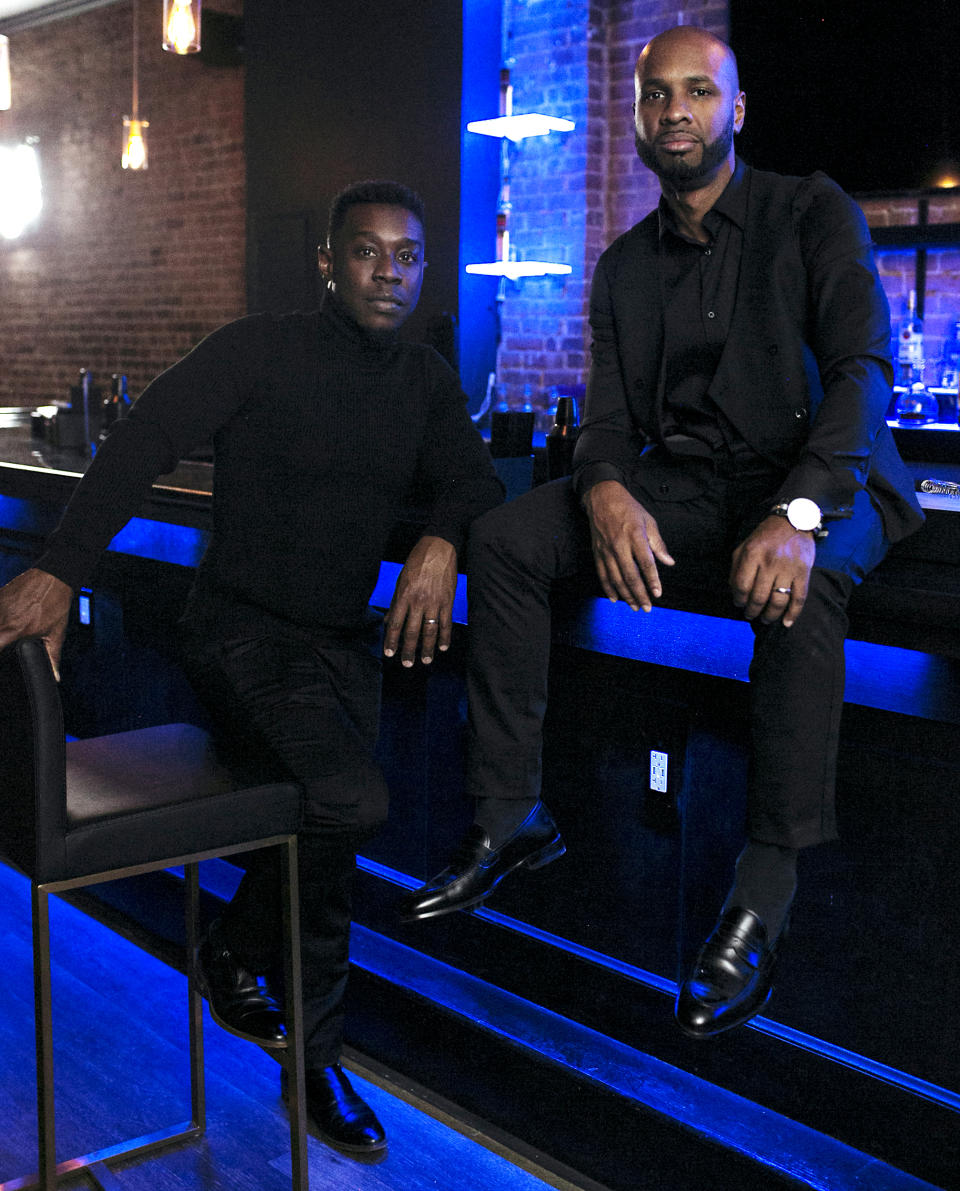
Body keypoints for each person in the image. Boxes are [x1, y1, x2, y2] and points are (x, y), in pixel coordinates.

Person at [399, 26, 923, 1039]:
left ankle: (763, 894)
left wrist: (799, 513)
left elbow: (863, 374)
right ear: (637, 116)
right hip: (686, 485)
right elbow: (604, 422)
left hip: (831, 477)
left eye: (697, 93)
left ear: (736, 111)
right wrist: (601, 489)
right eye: (655, 96)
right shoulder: (624, 267)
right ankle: (511, 817)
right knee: (506, 539)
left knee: (794, 585)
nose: (674, 112)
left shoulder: (810, 211)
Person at [0, 180, 503, 1151]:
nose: (388, 272)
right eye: (367, 252)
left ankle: (238, 960)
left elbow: (473, 479)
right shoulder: (259, 349)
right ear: (327, 261)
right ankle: (312, 1063)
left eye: (407, 257)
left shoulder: (426, 379)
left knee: (322, 832)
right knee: (352, 802)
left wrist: (441, 538)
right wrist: (61, 567)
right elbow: (143, 437)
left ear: (424, 270)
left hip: (339, 653)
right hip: (238, 637)